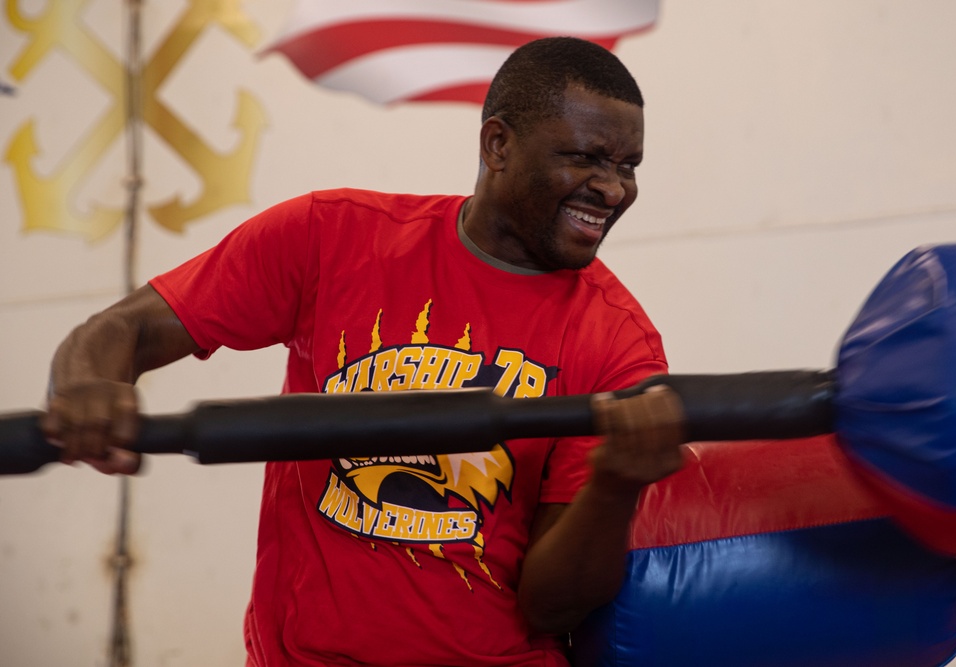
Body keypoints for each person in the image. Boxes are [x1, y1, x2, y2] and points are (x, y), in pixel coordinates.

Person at [42, 37, 686, 666]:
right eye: (587, 158)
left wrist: (615, 483)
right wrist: (86, 386)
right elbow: (123, 330)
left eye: (627, 166)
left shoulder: (618, 343)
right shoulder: (329, 237)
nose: (612, 189)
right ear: (498, 145)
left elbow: (552, 610)